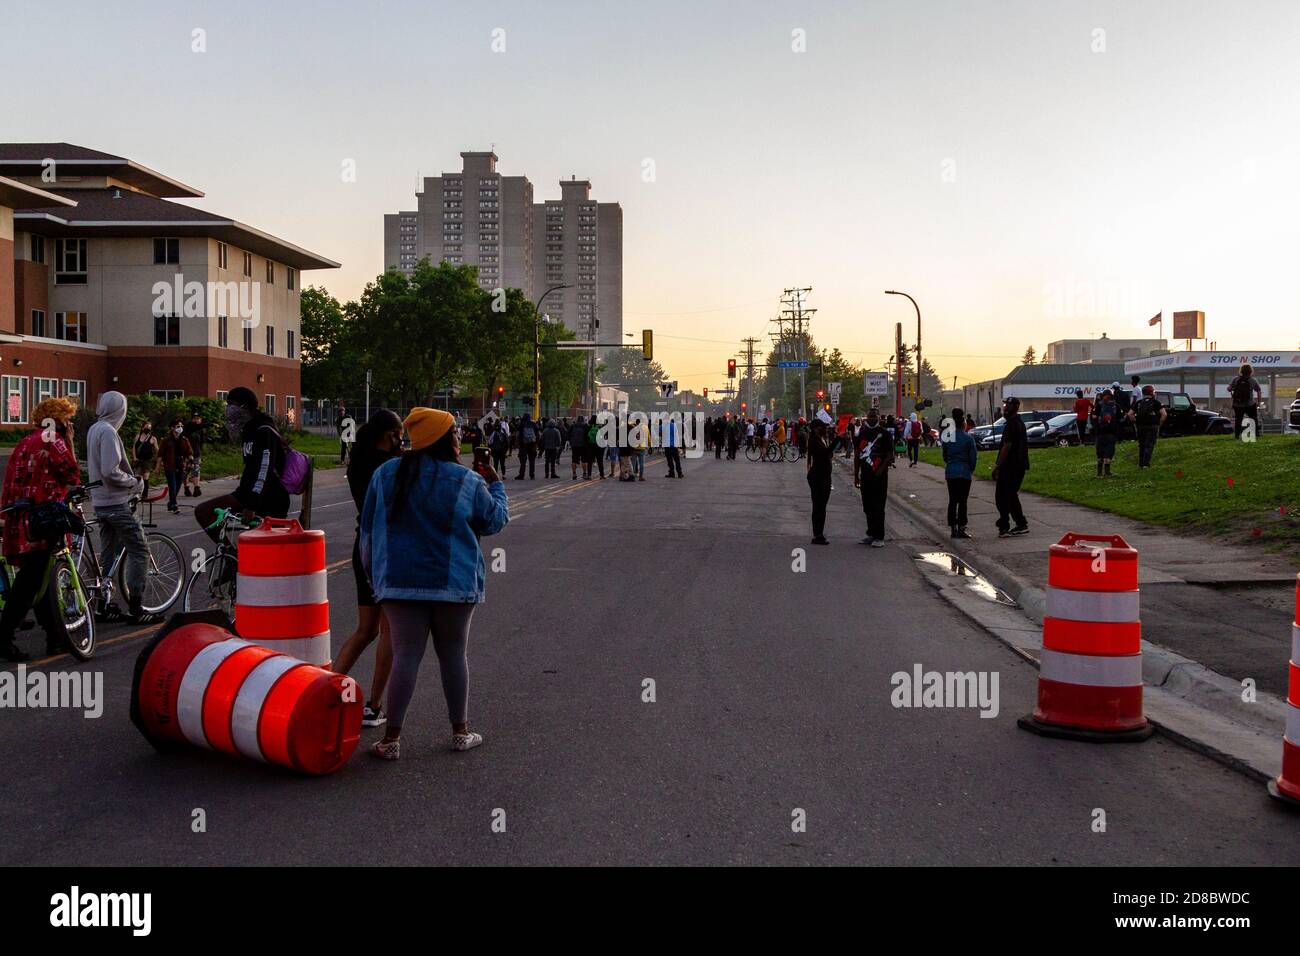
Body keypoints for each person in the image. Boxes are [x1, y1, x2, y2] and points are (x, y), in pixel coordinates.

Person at [361, 408, 509, 760]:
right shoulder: (467, 481)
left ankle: (391, 740)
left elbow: (367, 534)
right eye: (455, 433)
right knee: (454, 655)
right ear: (444, 439)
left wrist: (375, 579)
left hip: (398, 584)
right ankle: (460, 731)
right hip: (454, 583)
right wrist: (497, 484)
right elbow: (494, 521)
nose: (460, 438)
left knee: (406, 657)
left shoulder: (384, 476)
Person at [333, 409, 403, 727]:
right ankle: (374, 705)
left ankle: (323, 685)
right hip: (386, 548)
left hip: (363, 544)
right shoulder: (389, 466)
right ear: (390, 434)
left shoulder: (359, 461)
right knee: (389, 630)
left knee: (366, 630)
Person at [0, 398, 83, 661]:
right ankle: (4, 637)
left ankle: (54, 637)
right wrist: (69, 442)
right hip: (43, 518)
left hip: (20, 518)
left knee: (41, 577)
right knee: (30, 582)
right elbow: (71, 474)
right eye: (68, 419)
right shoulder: (53, 440)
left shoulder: (26, 441)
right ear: (59, 420)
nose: (70, 423)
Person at [86, 391, 161, 625]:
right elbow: (110, 470)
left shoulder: (94, 429)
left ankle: (102, 605)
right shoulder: (108, 432)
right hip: (116, 501)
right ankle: (136, 608)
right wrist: (134, 482)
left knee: (109, 551)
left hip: (99, 501)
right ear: (121, 410)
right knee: (139, 549)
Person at [195, 387, 290, 542]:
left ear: (245, 407)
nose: (228, 410)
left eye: (231, 404)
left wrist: (252, 505)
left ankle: (235, 561)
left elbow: (264, 470)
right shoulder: (248, 430)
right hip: (246, 493)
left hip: (269, 497)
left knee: (268, 553)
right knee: (203, 512)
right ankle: (231, 558)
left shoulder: (264, 431)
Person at [992, 396, 1029, 537]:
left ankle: (1004, 526)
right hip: (1018, 466)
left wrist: (998, 466)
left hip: (1011, 466)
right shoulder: (1018, 423)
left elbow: (1007, 446)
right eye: (1005, 405)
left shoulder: (1012, 424)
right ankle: (1021, 523)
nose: (1005, 408)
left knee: (1002, 497)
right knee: (1011, 495)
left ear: (1015, 407)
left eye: (1008, 405)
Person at [853, 411, 892, 547]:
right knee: (867, 506)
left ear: (878, 418)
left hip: (879, 477)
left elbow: (889, 455)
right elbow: (857, 454)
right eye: (869, 418)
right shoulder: (862, 433)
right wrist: (856, 474)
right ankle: (870, 534)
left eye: (874, 418)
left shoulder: (885, 434)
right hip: (866, 475)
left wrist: (880, 471)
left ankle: (879, 536)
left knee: (878, 506)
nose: (871, 420)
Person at [941, 406, 978, 539]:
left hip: (951, 471)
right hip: (964, 472)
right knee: (963, 501)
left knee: (952, 500)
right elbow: (973, 457)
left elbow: (944, 455)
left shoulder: (948, 437)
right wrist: (970, 469)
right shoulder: (968, 439)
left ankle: (953, 528)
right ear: (964, 423)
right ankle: (962, 528)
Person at [806, 416, 833, 545]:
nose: (825, 429)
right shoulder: (814, 441)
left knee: (821, 506)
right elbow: (826, 453)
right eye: (822, 427)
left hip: (823, 476)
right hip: (818, 477)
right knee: (819, 506)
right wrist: (838, 440)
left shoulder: (820, 439)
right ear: (816, 429)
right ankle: (818, 535)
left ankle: (819, 533)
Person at [157, 418, 194, 514]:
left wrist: (191, 460)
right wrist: (157, 467)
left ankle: (171, 502)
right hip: (170, 465)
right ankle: (174, 505)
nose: (180, 428)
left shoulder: (184, 440)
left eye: (181, 426)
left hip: (181, 465)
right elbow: (160, 454)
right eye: (178, 426)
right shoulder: (166, 440)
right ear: (172, 428)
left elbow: (189, 452)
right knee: (172, 485)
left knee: (178, 485)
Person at [1129, 385, 1166, 468]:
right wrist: (1159, 424)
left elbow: (1130, 414)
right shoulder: (1156, 402)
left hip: (1140, 427)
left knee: (1141, 445)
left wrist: (1136, 422)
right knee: (1149, 445)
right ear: (1152, 392)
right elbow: (1164, 414)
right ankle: (1146, 464)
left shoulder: (1138, 403)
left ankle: (1141, 463)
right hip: (1153, 426)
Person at [1228, 363, 1262, 439]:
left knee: (1238, 420)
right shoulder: (1253, 380)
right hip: (1250, 404)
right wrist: (1259, 402)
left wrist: (1232, 388)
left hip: (1238, 404)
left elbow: (1229, 388)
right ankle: (1256, 434)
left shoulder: (1236, 379)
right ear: (1250, 371)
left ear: (1241, 371)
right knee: (1253, 419)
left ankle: (1237, 435)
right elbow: (1259, 390)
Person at [1091, 388, 1120, 477]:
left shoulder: (1098, 406)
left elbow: (1093, 419)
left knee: (1100, 453)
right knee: (1109, 452)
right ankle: (1107, 472)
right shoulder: (1116, 406)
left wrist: (1095, 429)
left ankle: (1099, 473)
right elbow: (1120, 419)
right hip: (1111, 433)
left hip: (1100, 433)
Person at [182, 411, 207, 497]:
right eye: (195, 419)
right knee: (186, 471)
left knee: (196, 470)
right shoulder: (188, 428)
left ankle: (197, 488)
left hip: (196, 453)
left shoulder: (200, 431)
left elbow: (201, 443)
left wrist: (200, 454)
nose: (196, 420)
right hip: (186, 454)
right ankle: (186, 487)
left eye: (198, 419)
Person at [514, 413, 539, 479]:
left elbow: (518, 435)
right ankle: (532, 474)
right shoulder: (534, 424)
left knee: (523, 462)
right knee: (532, 461)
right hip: (532, 445)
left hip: (523, 445)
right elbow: (538, 435)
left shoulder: (521, 424)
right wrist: (536, 443)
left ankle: (521, 475)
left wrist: (517, 443)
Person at [568, 415, 586, 479]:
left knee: (574, 460)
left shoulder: (573, 426)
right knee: (583, 460)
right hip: (583, 446)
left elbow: (568, 435)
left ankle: (574, 474)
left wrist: (571, 443)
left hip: (574, 445)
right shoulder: (585, 426)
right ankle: (584, 473)